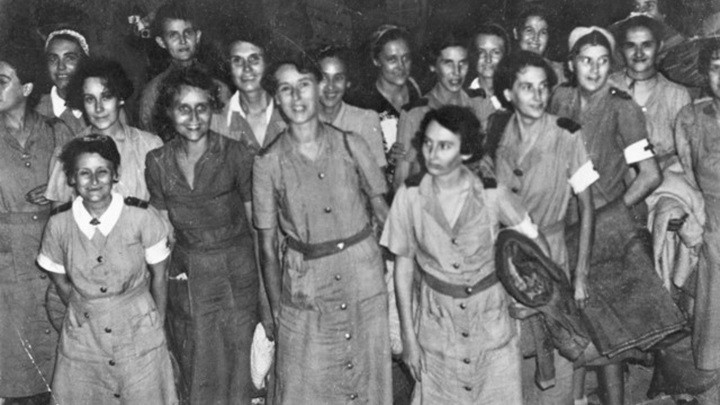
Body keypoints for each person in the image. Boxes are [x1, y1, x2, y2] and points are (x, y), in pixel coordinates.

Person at [381, 104, 547, 404]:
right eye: (428, 144)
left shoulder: (492, 194)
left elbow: (536, 242)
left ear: (466, 153)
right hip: (437, 329)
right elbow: (403, 268)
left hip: (492, 328)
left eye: (444, 146)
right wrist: (408, 336)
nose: (432, 154)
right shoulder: (409, 196)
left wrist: (535, 297)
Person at [254, 55, 391, 404]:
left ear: (317, 90)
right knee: (306, 385)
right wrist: (276, 308)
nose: (297, 98)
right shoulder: (267, 163)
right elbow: (268, 247)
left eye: (304, 86)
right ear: (277, 99)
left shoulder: (352, 144)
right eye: (286, 89)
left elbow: (384, 214)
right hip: (307, 284)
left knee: (368, 378)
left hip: (363, 278)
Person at [549, 26, 662, 405]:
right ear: (570, 64)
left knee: (608, 332)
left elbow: (651, 174)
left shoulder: (622, 106)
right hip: (563, 224)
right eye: (585, 61)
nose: (594, 70)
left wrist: (614, 212)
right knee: (576, 325)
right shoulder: (558, 99)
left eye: (602, 62)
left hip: (604, 230)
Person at [146, 66, 258, 404]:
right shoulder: (158, 161)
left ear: (213, 109)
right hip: (190, 278)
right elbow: (164, 234)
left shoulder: (237, 154)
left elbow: (256, 227)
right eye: (183, 108)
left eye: (202, 107)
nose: (193, 117)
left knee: (241, 371)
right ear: (169, 112)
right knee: (198, 371)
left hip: (238, 276)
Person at [37, 134, 177, 405]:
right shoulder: (59, 224)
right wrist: (84, 306)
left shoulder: (141, 217)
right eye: (84, 173)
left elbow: (160, 275)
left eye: (102, 172)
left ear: (116, 174)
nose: (94, 181)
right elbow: (56, 274)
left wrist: (155, 323)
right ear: (71, 179)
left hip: (138, 331)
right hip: (83, 338)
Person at [493, 50, 598, 405]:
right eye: (526, 87)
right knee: (515, 349)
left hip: (552, 253)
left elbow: (587, 205)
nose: (537, 96)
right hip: (507, 260)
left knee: (559, 341)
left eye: (542, 88)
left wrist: (580, 273)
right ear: (509, 93)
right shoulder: (496, 133)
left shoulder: (566, 135)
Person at [0, 41, 73, 404]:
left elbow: (82, 191)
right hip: (8, 270)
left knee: (64, 373)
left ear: (26, 89)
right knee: (17, 376)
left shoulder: (57, 132)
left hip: (55, 256)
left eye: (2, 81)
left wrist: (59, 189)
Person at [45, 58, 162, 203]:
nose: (98, 108)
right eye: (90, 99)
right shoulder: (68, 152)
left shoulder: (149, 146)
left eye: (106, 97)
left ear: (120, 99)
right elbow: (60, 218)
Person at [393, 29, 492, 190]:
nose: (457, 72)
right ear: (433, 66)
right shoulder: (414, 114)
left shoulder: (480, 104)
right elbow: (401, 180)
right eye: (448, 63)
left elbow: (490, 165)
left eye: (462, 63)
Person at [675, 38, 720, 374]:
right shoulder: (691, 118)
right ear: (706, 72)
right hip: (715, 230)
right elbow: (690, 181)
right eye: (718, 67)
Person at [608, 14, 691, 169]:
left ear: (659, 47)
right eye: (631, 45)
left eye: (646, 45)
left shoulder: (677, 96)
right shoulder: (607, 88)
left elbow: (686, 154)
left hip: (668, 180)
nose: (639, 53)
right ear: (621, 49)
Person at [346, 24, 422, 190]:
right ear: (376, 60)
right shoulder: (362, 101)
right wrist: (385, 157)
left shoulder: (418, 90)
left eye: (406, 58)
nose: (401, 66)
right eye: (392, 59)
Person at [138, 0, 229, 134]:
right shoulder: (153, 93)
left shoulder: (218, 87)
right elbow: (148, 139)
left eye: (188, 33)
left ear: (197, 37)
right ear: (161, 42)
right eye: (173, 35)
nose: (182, 40)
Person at [210, 33, 286, 154]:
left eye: (254, 59)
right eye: (237, 60)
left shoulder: (288, 112)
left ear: (266, 64)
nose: (246, 68)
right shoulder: (217, 123)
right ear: (229, 68)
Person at [316, 46, 386, 169]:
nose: (330, 87)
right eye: (323, 78)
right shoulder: (300, 120)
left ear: (348, 82)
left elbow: (377, 180)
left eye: (338, 78)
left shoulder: (365, 120)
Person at [35, 28, 89, 135]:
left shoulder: (97, 108)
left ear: (83, 62)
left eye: (70, 58)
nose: (61, 67)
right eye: (53, 59)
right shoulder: (35, 112)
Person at [513, 4, 567, 87]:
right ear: (516, 33)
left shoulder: (559, 73)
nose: (536, 38)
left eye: (543, 32)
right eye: (529, 30)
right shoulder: (505, 69)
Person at [467, 23, 509, 114]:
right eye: (481, 52)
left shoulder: (513, 97)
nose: (488, 59)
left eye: (495, 52)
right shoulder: (463, 98)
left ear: (505, 56)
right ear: (473, 55)